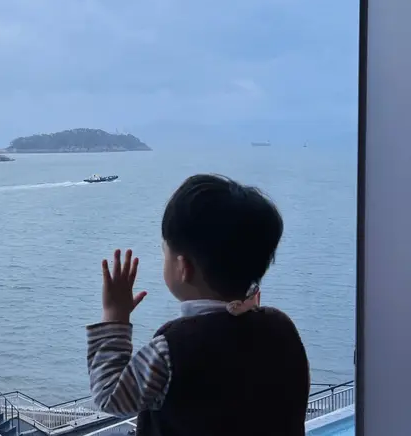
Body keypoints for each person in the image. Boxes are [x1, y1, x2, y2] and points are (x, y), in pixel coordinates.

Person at [86, 174, 310, 436]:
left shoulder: (170, 350)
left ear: (183, 268)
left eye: (165, 252)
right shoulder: (282, 328)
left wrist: (115, 317)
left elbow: (111, 396)